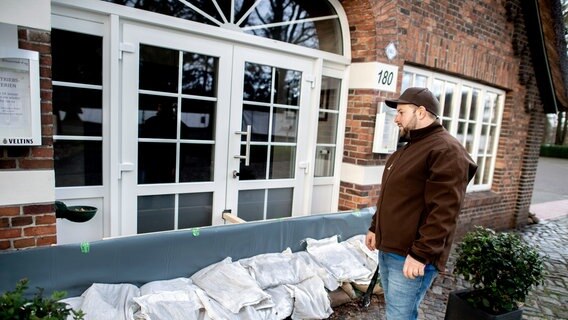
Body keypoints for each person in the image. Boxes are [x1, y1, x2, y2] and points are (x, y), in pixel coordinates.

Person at [365, 87, 478, 320]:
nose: (396, 119)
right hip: (391, 249)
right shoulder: (407, 150)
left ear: (421, 112)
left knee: (400, 316)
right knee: (395, 313)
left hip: (411, 255)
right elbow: (392, 195)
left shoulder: (445, 150)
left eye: (401, 112)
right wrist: (375, 227)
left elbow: (444, 212)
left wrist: (420, 254)